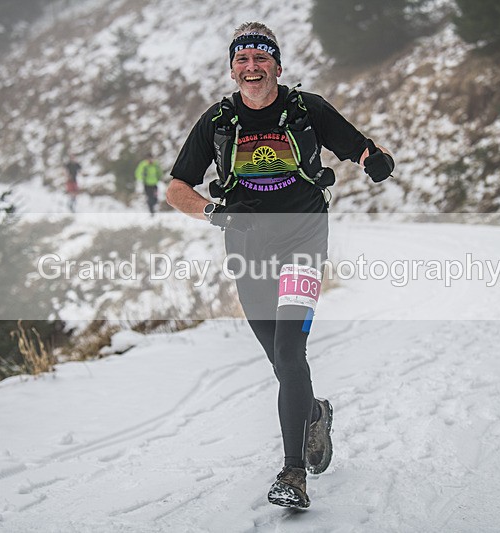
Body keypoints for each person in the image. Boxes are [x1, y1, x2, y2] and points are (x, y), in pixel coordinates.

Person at [166, 22, 394, 509]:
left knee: (290, 353)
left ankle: (293, 475)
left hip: (303, 243)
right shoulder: (218, 122)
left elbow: (357, 144)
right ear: (233, 69)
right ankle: (313, 412)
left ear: (277, 66)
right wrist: (215, 211)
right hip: (247, 252)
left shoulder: (305, 109)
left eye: (261, 59)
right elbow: (177, 188)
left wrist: (376, 160)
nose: (252, 68)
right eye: (243, 60)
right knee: (280, 361)